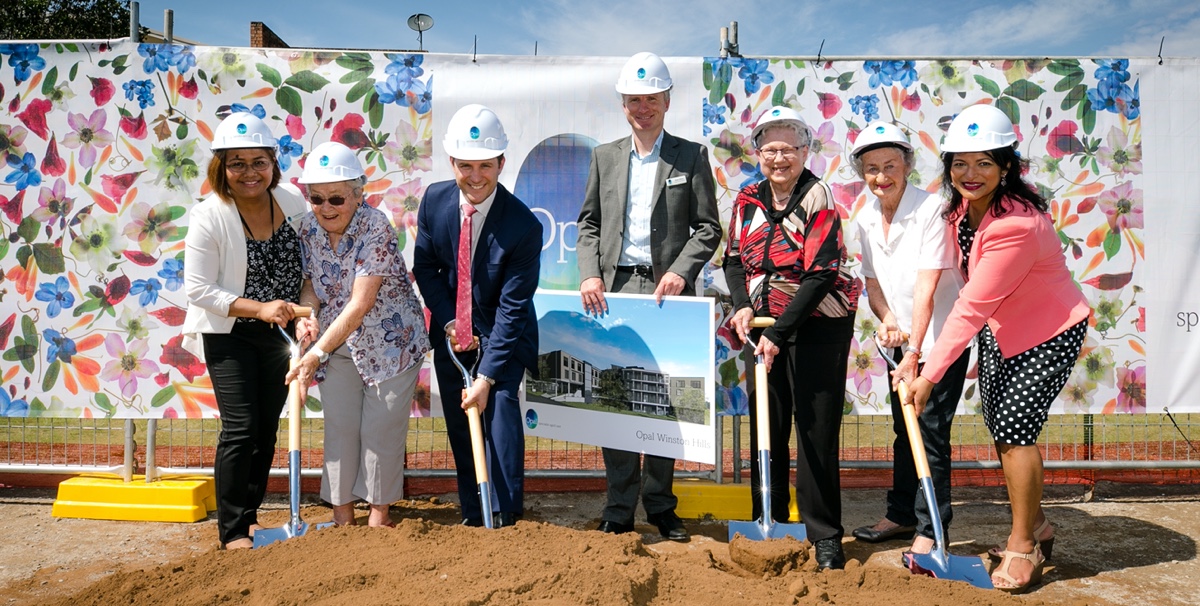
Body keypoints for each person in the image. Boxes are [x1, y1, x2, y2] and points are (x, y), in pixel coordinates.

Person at [906, 104, 1090, 593]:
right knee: (1002, 427)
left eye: (984, 163)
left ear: (1006, 167)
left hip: (1049, 331)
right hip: (1002, 330)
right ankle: (1040, 524)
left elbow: (970, 305)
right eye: (959, 163)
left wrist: (929, 374)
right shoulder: (961, 209)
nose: (970, 174)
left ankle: (1022, 542)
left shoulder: (1016, 224)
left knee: (1014, 430)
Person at [575, 51, 722, 543]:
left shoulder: (691, 155)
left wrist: (682, 272)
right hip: (612, 291)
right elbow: (589, 224)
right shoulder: (604, 156)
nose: (643, 108)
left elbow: (707, 228)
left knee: (661, 403)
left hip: (666, 293)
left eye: (651, 99)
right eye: (634, 100)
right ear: (623, 104)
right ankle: (619, 508)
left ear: (666, 101)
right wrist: (590, 274)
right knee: (616, 399)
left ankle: (660, 506)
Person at [723, 106, 861, 570]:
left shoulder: (818, 196)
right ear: (757, 152)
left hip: (817, 325)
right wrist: (744, 304)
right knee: (768, 427)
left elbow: (821, 272)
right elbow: (733, 261)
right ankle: (769, 522)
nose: (778, 158)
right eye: (769, 149)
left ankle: (824, 536)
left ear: (805, 151)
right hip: (761, 327)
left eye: (788, 149)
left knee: (815, 433)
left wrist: (780, 333)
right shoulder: (746, 198)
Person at [283, 142, 429, 528]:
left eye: (336, 198)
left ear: (358, 193)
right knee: (341, 430)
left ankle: (378, 525)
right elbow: (311, 283)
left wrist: (315, 353)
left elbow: (361, 302)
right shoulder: (309, 227)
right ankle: (343, 523)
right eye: (316, 198)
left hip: (391, 343)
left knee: (379, 432)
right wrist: (308, 315)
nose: (326, 207)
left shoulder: (376, 225)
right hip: (337, 342)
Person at [181, 113, 307, 550]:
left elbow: (309, 266)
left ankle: (250, 517)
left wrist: (305, 309)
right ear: (221, 166)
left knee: (267, 428)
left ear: (274, 162)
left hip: (280, 333)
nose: (249, 172)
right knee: (241, 427)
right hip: (229, 332)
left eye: (259, 161)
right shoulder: (209, 216)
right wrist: (261, 308)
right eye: (237, 163)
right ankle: (232, 530)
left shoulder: (291, 202)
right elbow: (197, 288)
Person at [412, 104, 542, 528]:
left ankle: (504, 516)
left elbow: (513, 306)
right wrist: (451, 322)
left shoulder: (523, 225)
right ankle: (474, 514)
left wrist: (486, 376)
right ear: (452, 162)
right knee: (459, 424)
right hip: (452, 335)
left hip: (504, 333)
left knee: (499, 414)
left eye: (485, 165)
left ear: (501, 163)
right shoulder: (434, 201)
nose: (475, 176)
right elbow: (426, 267)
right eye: (465, 165)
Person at [846, 122, 969, 559]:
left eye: (890, 166)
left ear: (909, 164)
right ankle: (900, 515)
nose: (881, 176)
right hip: (900, 342)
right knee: (904, 430)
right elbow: (872, 279)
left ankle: (933, 529)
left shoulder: (934, 209)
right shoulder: (864, 216)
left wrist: (915, 349)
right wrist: (886, 319)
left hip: (938, 341)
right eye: (872, 168)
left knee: (930, 431)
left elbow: (927, 285)